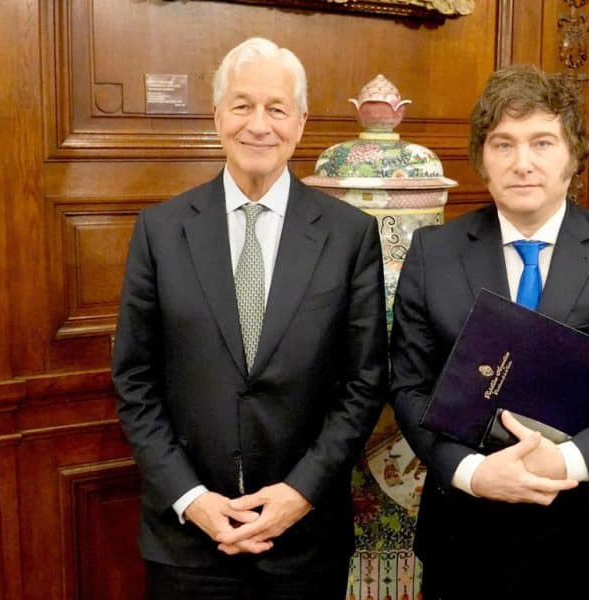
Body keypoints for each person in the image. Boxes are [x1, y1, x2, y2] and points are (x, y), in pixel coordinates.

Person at [390, 64, 589, 599]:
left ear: (574, 155)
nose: (522, 163)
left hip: (586, 538)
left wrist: (566, 461)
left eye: (542, 142)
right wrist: (472, 472)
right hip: (463, 535)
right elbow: (409, 387)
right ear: (482, 159)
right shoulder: (434, 254)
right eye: (503, 144)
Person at [112, 37, 389, 600]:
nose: (258, 125)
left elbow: (364, 382)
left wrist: (301, 492)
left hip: (305, 538)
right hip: (189, 541)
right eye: (242, 105)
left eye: (276, 108)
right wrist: (192, 499)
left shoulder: (349, 236)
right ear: (217, 116)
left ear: (301, 122)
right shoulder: (161, 232)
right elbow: (134, 380)